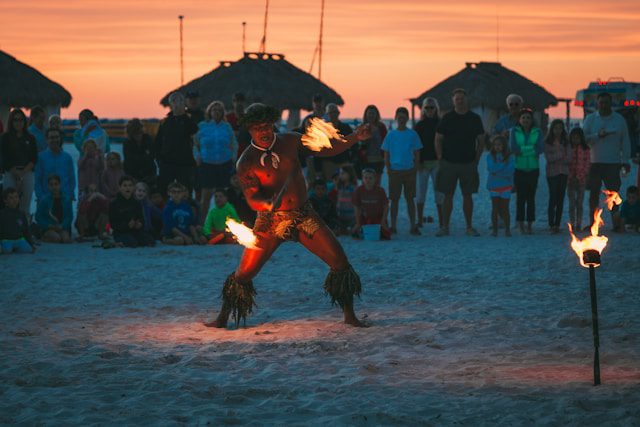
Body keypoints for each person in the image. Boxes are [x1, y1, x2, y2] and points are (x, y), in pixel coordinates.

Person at [205, 103, 372, 329]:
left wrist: (354, 137)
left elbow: (326, 148)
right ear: (250, 130)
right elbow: (252, 199)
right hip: (269, 221)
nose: (263, 131)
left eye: (266, 126)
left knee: (339, 261)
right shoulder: (246, 161)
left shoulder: (291, 141)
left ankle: (350, 316)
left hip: (303, 216)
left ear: (273, 124)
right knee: (244, 273)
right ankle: (223, 317)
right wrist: (267, 202)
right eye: (257, 128)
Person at [435, 89, 485, 237]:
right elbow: (438, 139)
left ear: (466, 99)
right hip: (448, 162)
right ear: (453, 100)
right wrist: (440, 158)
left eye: (462, 99)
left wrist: (477, 159)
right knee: (447, 195)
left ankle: (469, 227)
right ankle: (445, 227)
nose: (460, 101)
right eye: (457, 99)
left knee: (467, 195)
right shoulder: (447, 117)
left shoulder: (474, 118)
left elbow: (481, 140)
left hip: (468, 163)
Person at [583, 92, 631, 229]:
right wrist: (597, 135)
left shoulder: (619, 120)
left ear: (611, 103)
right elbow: (583, 138)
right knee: (593, 194)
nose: (604, 105)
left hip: (613, 163)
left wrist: (626, 161)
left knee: (614, 194)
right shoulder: (591, 119)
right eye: (601, 102)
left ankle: (616, 223)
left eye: (606, 102)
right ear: (597, 103)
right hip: (594, 162)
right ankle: (592, 223)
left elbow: (625, 142)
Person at [194, 101, 237, 222]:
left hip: (225, 164)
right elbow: (194, 144)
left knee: (224, 196)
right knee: (206, 195)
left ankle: (225, 223)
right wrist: (197, 156)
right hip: (207, 164)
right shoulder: (203, 126)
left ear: (222, 113)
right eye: (214, 110)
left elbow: (234, 143)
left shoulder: (227, 126)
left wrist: (233, 158)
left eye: (219, 110)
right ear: (210, 112)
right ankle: (202, 223)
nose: (216, 112)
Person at [382, 107, 422, 235]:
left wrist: (415, 168)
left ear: (407, 119)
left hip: (409, 171)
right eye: (399, 118)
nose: (401, 120)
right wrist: (388, 169)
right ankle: (393, 226)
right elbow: (386, 154)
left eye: (404, 118)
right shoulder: (391, 135)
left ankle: (413, 226)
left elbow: (417, 153)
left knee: (410, 199)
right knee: (394, 200)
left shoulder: (412, 134)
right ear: (396, 118)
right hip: (395, 171)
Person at [155, 92, 199, 196]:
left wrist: (183, 115)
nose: (177, 104)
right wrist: (158, 159)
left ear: (184, 103)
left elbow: (196, 136)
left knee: (185, 192)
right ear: (170, 104)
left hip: (185, 164)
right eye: (174, 101)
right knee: (164, 192)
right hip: (167, 163)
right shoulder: (165, 122)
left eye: (179, 101)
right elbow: (158, 142)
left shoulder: (190, 120)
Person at [510, 108, 543, 234]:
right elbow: (513, 149)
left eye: (528, 118)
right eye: (523, 117)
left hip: (533, 169)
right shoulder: (515, 131)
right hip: (519, 169)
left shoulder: (537, 131)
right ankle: (520, 224)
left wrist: (523, 150)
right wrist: (530, 149)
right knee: (520, 198)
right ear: (519, 120)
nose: (525, 120)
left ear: (531, 120)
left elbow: (540, 148)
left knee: (531, 198)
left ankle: (529, 224)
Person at [1, 108, 38, 215]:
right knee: (9, 203)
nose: (18, 122)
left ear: (24, 121)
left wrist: (23, 173)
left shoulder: (30, 138)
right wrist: (16, 173)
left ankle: (24, 228)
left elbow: (34, 158)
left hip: (27, 173)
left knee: (25, 204)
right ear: (11, 121)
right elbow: (4, 158)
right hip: (10, 173)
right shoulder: (5, 138)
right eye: (15, 120)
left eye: (21, 120)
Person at [413, 97, 443, 228]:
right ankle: (419, 220)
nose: (429, 110)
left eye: (432, 107)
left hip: (437, 162)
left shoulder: (441, 123)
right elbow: (415, 145)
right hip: (423, 163)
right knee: (421, 193)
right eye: (426, 107)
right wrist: (417, 162)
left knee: (439, 193)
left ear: (436, 108)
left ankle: (442, 220)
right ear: (423, 109)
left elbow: (445, 142)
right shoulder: (419, 125)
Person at [108, 176, 155, 248]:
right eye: (125, 185)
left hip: (135, 231)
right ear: (120, 187)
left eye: (130, 185)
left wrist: (139, 224)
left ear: (133, 188)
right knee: (132, 243)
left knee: (150, 241)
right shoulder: (113, 203)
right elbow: (113, 224)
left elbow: (141, 219)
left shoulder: (136, 203)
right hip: (120, 233)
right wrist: (127, 225)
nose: (128, 188)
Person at [544, 120, 572, 234]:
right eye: (556, 128)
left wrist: (557, 157)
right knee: (553, 198)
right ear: (552, 129)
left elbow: (569, 158)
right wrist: (561, 155)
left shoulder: (566, 141)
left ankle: (557, 224)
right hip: (552, 173)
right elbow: (549, 158)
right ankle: (551, 223)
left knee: (560, 198)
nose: (558, 130)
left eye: (560, 128)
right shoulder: (548, 141)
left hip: (563, 172)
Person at [34, 128, 76, 202]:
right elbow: (37, 180)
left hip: (64, 198)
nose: (55, 140)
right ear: (47, 140)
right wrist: (41, 197)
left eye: (57, 137)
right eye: (52, 137)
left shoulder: (67, 157)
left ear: (60, 138)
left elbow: (71, 179)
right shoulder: (40, 157)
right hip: (46, 199)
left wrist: (69, 195)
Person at [487, 135, 515, 237]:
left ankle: (507, 230)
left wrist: (498, 171)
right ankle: (495, 230)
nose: (497, 147)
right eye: (495, 145)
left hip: (506, 186)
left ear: (504, 145)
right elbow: (491, 168)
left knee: (505, 208)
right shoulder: (490, 156)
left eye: (499, 144)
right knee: (495, 208)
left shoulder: (510, 157)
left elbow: (510, 171)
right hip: (494, 186)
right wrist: (503, 165)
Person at [162, 181, 206, 245]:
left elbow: (191, 224)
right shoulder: (168, 208)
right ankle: (165, 240)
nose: (176, 194)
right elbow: (172, 228)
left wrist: (196, 237)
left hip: (186, 232)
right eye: (173, 192)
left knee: (203, 239)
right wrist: (185, 237)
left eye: (178, 192)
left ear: (182, 193)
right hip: (172, 234)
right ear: (169, 193)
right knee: (179, 240)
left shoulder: (187, 206)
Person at [351, 168, 390, 240]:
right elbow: (356, 207)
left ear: (375, 179)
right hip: (365, 217)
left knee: (386, 235)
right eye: (365, 178)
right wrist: (357, 222)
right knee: (354, 233)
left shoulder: (380, 190)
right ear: (362, 179)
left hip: (378, 217)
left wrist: (383, 221)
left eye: (370, 178)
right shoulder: (358, 190)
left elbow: (386, 206)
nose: (367, 180)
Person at [318, 103, 354, 181]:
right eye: (331, 112)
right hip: (328, 163)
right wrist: (318, 169)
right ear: (327, 114)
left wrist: (351, 160)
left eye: (335, 112)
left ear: (338, 113)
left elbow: (354, 144)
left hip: (343, 161)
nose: (333, 114)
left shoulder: (346, 128)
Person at [35, 174, 73, 243]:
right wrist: (48, 225)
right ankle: (42, 236)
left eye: (56, 184)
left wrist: (62, 226)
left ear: (60, 185)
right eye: (51, 185)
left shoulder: (66, 200)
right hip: (48, 228)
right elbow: (38, 217)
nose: (54, 187)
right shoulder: (44, 200)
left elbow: (69, 217)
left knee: (66, 240)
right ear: (48, 186)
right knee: (56, 239)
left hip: (62, 227)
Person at [567, 127, 591, 230]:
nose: (576, 140)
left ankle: (579, 224)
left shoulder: (586, 149)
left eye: (578, 138)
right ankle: (572, 223)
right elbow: (566, 164)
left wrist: (580, 176)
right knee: (572, 203)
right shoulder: (568, 149)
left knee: (579, 203)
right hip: (570, 180)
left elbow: (587, 164)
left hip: (581, 180)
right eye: (574, 138)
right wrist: (570, 177)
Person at [0, 188, 36, 254]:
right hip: (6, 239)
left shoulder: (21, 214)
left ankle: (15, 247)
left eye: (16, 197)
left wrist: (31, 243)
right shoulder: (2, 214)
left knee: (29, 250)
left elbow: (26, 230)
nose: (14, 200)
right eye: (11, 198)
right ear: (5, 200)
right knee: (7, 251)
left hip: (19, 239)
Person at [123, 119, 157, 186]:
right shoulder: (127, 143)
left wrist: (138, 158)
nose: (138, 135)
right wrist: (145, 156)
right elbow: (129, 159)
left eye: (140, 132)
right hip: (133, 174)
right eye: (136, 133)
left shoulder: (148, 139)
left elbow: (152, 155)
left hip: (148, 173)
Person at [359, 105, 388, 176]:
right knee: (367, 183)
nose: (371, 115)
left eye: (373, 113)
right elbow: (359, 145)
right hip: (366, 161)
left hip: (379, 160)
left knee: (377, 183)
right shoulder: (362, 127)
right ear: (366, 115)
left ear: (376, 115)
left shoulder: (381, 127)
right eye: (369, 113)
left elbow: (386, 144)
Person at [335, 165, 358, 234]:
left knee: (354, 231)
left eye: (343, 173)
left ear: (350, 174)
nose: (341, 175)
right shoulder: (340, 186)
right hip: (341, 216)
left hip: (352, 216)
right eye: (340, 174)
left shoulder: (353, 187)